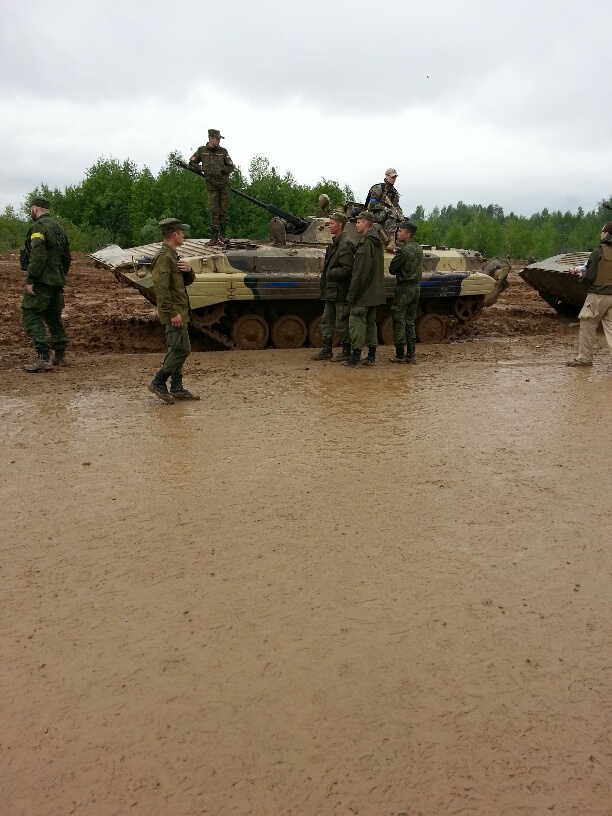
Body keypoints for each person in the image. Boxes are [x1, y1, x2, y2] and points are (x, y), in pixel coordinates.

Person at [148, 218, 200, 403]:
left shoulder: (173, 255)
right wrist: (172, 313)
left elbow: (185, 282)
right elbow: (161, 291)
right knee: (181, 348)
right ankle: (158, 382)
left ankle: (176, 387)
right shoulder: (163, 257)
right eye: (182, 232)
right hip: (174, 312)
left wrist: (189, 270)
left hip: (180, 310)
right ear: (175, 234)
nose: (184, 236)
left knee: (177, 347)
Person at [21, 195, 71, 372]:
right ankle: (60, 356)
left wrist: (31, 279)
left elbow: (38, 255)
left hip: (42, 280)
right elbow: (67, 257)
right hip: (57, 279)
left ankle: (43, 357)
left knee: (31, 314)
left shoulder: (38, 227)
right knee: (53, 316)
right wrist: (60, 276)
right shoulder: (59, 228)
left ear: (35, 209)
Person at [566, 221, 612, 366]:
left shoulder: (598, 252)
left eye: (602, 231)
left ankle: (584, 358)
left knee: (587, 323)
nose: (601, 233)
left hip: (598, 295)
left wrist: (581, 279)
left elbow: (590, 275)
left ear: (606, 234)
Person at [343, 211, 385, 367]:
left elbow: (360, 273)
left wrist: (352, 295)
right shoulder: (377, 242)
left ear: (366, 223)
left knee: (356, 321)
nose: (356, 225)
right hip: (374, 292)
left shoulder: (365, 243)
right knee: (370, 323)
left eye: (359, 222)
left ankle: (355, 357)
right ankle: (371, 357)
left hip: (364, 292)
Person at [313, 211, 355, 362]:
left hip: (341, 291)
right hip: (332, 290)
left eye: (332, 223)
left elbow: (347, 269)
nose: (329, 226)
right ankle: (326, 350)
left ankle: (346, 351)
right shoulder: (336, 242)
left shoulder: (345, 244)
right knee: (327, 320)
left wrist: (330, 272)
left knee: (342, 322)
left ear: (340, 225)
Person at [189, 129, 235, 246]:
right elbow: (191, 163)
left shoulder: (223, 151)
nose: (219, 141)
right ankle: (214, 237)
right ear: (210, 138)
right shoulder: (202, 151)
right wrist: (203, 169)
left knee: (223, 210)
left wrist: (221, 171)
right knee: (214, 211)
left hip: (224, 185)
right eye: (217, 139)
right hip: (211, 185)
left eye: (219, 139)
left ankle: (222, 235)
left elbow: (231, 166)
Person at [389, 220, 423, 363]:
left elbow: (392, 269)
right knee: (410, 321)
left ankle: (400, 355)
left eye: (400, 231)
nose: (397, 233)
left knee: (399, 321)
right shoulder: (418, 248)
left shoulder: (404, 250)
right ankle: (411, 354)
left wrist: (397, 253)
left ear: (408, 234)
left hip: (404, 289)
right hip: (415, 288)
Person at [365, 168, 403, 253]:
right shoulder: (378, 188)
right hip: (374, 214)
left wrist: (401, 215)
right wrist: (384, 208)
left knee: (403, 221)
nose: (394, 179)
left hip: (387, 214)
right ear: (386, 176)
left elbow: (397, 206)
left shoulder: (394, 192)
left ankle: (400, 243)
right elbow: (371, 205)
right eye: (392, 177)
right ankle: (391, 242)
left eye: (395, 177)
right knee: (390, 214)